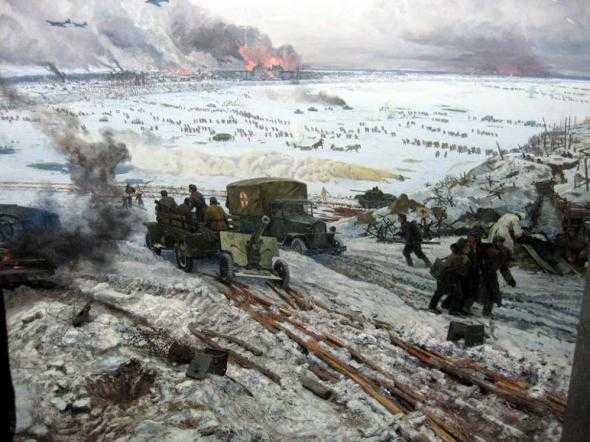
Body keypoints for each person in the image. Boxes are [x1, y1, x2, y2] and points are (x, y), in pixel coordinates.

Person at [429, 238, 470, 314]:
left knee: (442, 292)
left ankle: (438, 306)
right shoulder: (459, 256)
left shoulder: (457, 253)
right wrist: (464, 262)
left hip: (446, 276)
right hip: (447, 277)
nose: (468, 248)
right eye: (467, 247)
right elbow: (457, 269)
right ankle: (450, 310)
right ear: (462, 247)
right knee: (452, 293)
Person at [480, 235, 516, 317]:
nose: (500, 243)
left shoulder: (504, 252)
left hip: (491, 274)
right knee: (485, 292)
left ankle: (487, 311)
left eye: (501, 242)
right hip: (484, 273)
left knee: (493, 292)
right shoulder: (489, 250)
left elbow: (504, 268)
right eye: (498, 242)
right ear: (494, 242)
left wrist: (509, 280)